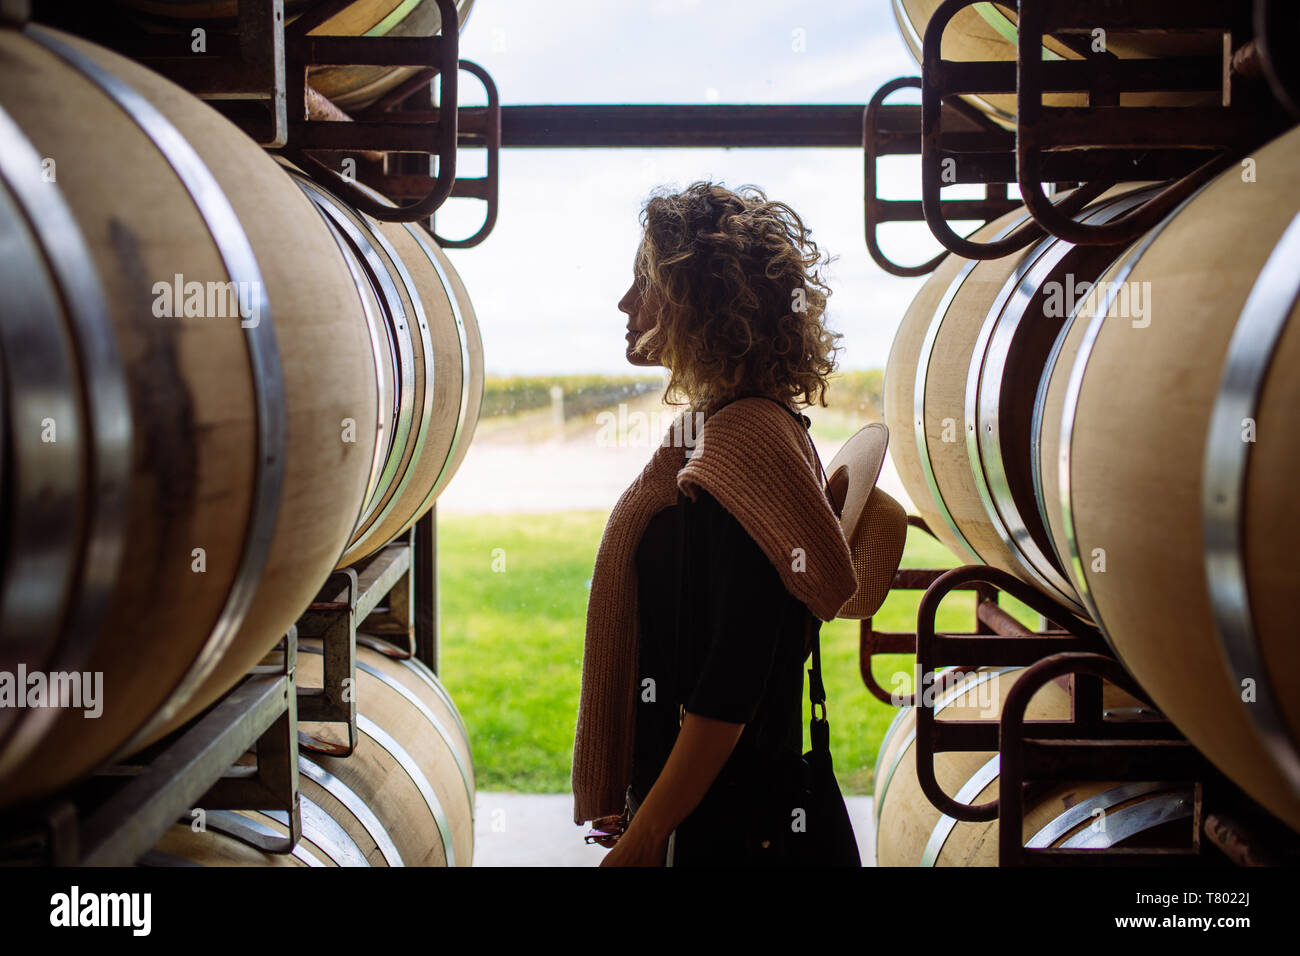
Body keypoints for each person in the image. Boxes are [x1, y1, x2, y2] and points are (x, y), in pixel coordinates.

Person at [570, 181, 856, 867]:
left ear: (699, 302)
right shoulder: (720, 427)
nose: (624, 302)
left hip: (731, 824)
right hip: (716, 809)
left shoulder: (745, 441)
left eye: (644, 282)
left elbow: (730, 684)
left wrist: (646, 837)